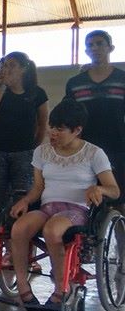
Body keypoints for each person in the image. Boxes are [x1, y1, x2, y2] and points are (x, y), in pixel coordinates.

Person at [8, 99, 119, 311]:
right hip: (48, 207)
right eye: (52, 127)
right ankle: (23, 287)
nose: (53, 133)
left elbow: (114, 190)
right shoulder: (42, 152)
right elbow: (38, 188)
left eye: (60, 129)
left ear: (77, 130)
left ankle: (61, 288)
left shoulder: (94, 153)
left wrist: (99, 189)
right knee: (19, 228)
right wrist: (25, 200)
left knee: (52, 229)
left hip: (76, 209)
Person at [0, 52, 48, 224]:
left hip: (25, 152)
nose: (7, 68)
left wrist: (32, 147)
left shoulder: (37, 93)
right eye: (5, 65)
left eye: (12, 65)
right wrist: (3, 85)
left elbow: (42, 124)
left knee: (22, 193)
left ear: (23, 68)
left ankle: (20, 232)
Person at [65, 30, 125, 203]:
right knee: (87, 199)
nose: (95, 48)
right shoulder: (75, 83)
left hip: (118, 148)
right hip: (85, 150)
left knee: (119, 198)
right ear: (86, 51)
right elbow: (68, 116)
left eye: (99, 43)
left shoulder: (122, 79)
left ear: (110, 48)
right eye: (90, 45)